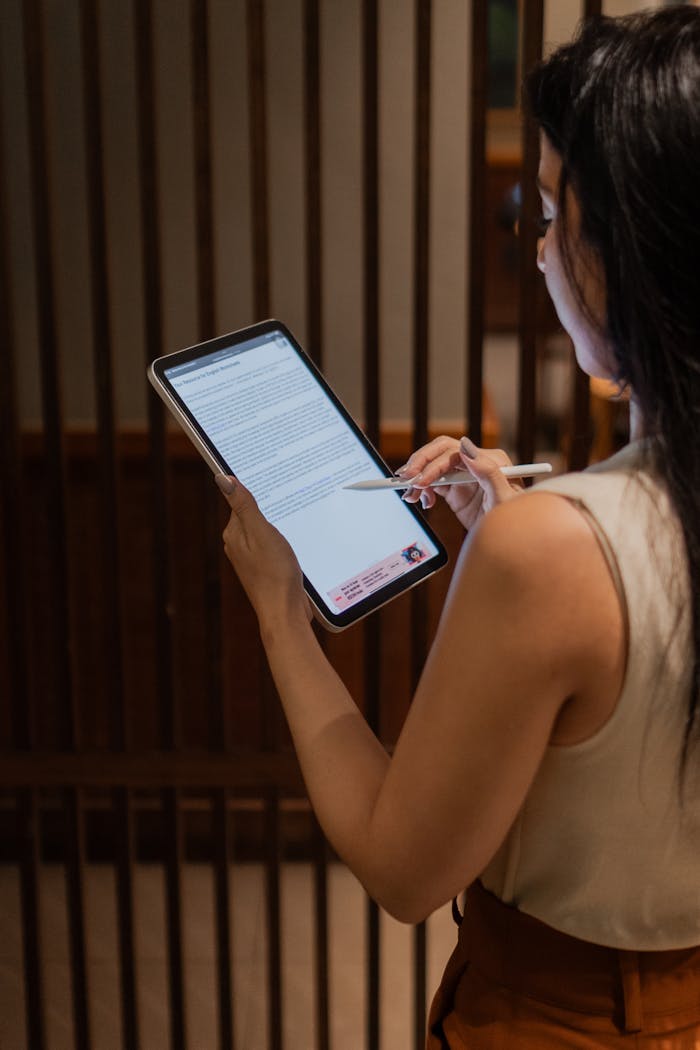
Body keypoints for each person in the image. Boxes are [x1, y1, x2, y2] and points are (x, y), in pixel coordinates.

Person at [214, 7, 700, 1046]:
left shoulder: (557, 552)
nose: (536, 246)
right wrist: (523, 528)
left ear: (622, 250)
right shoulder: (568, 535)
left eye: (551, 207)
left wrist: (278, 616)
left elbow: (404, 867)